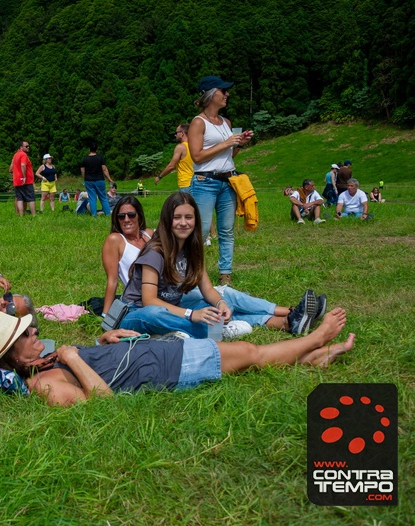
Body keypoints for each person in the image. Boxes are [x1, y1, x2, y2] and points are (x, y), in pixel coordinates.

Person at [0, 309, 354, 406]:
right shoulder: (44, 386)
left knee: (248, 359)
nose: (36, 331)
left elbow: (98, 367)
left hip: (155, 353)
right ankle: (316, 338)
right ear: (12, 356)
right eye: (26, 334)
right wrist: (72, 359)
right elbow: (102, 404)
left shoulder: (43, 362)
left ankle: (313, 359)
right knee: (251, 354)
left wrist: (104, 340)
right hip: (168, 368)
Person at [119, 192, 326, 339]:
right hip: (135, 314)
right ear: (167, 220)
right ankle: (212, 332)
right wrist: (193, 315)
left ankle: (288, 321)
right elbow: (149, 302)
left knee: (214, 308)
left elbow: (207, 288)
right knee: (163, 315)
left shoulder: (192, 249)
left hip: (173, 309)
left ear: (196, 220)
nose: (183, 223)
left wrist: (220, 305)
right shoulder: (155, 252)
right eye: (177, 217)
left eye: (189, 217)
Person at [187, 75, 253, 286]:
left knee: (226, 230)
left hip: (228, 182)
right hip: (205, 182)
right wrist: (226, 143)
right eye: (223, 91)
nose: (227, 94)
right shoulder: (198, 123)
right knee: (201, 231)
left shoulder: (227, 122)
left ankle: (225, 274)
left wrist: (238, 144)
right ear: (210, 94)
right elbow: (197, 156)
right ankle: (194, 272)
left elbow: (228, 157)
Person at [101, 196, 154, 315]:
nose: (126, 219)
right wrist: (105, 315)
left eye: (131, 215)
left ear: (139, 215)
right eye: (121, 216)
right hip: (137, 301)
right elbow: (112, 280)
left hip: (162, 293)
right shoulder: (115, 240)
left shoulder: (149, 234)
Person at [155, 124, 193, 191]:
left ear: (182, 133)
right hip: (196, 183)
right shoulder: (194, 146)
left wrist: (159, 177)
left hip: (185, 184)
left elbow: (171, 166)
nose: (175, 135)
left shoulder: (180, 147)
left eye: (176, 132)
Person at [80, 141, 114, 217]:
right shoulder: (100, 158)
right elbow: (104, 169)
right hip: (99, 180)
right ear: (96, 149)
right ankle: (108, 214)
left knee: (92, 198)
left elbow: (82, 171)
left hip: (89, 180)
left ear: (89, 149)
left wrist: (84, 179)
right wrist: (109, 178)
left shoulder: (85, 159)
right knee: (103, 198)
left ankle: (94, 215)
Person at [10, 140, 36, 216]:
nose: (28, 147)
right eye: (26, 146)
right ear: (21, 147)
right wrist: (24, 177)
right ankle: (34, 215)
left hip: (17, 180)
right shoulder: (23, 155)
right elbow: (23, 165)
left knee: (20, 198)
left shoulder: (15, 155)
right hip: (26, 181)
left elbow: (11, 169)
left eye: (29, 146)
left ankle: (21, 215)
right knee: (31, 198)